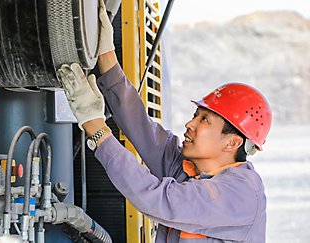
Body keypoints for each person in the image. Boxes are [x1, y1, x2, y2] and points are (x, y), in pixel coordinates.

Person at [57, 1, 272, 242]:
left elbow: (157, 199)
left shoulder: (239, 194)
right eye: (195, 116)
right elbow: (142, 128)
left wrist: (94, 125)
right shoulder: (189, 167)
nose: (190, 125)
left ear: (231, 142)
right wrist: (106, 54)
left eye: (204, 120)